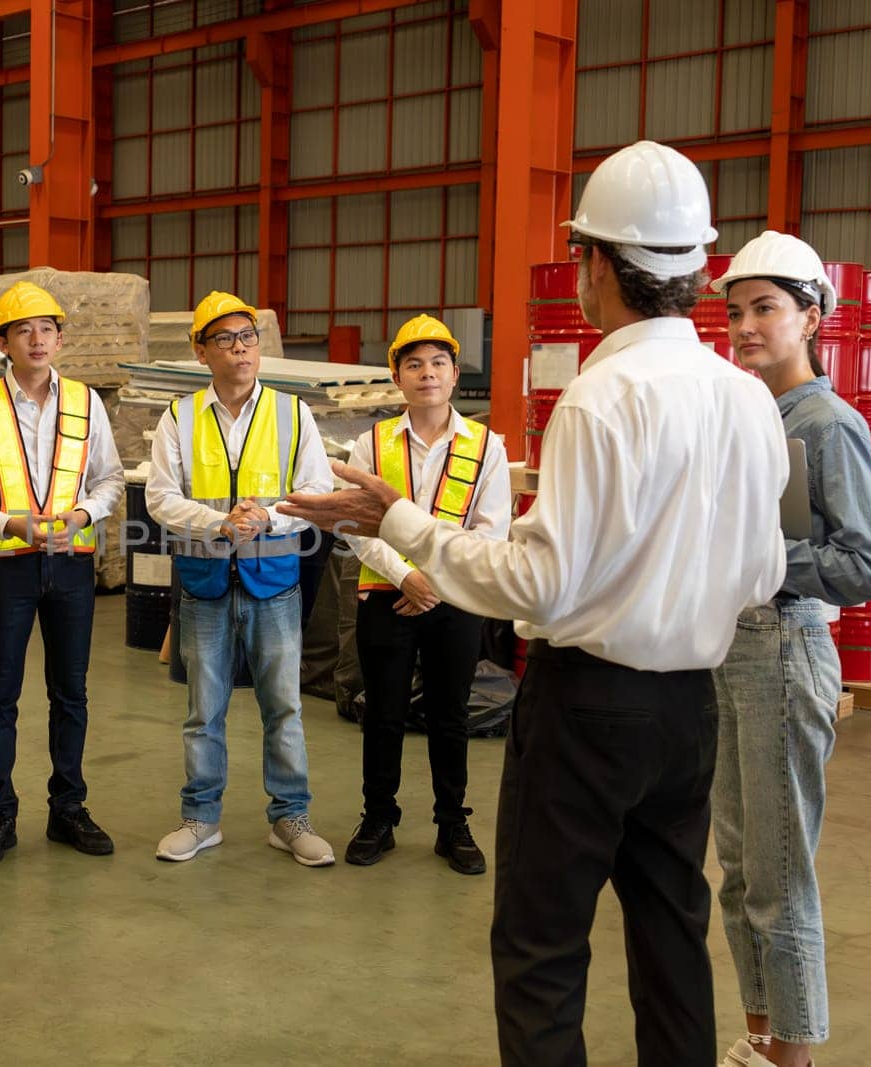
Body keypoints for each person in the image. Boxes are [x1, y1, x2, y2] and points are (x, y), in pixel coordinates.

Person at [279, 140, 789, 1065]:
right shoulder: (746, 397)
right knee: (672, 932)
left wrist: (399, 520)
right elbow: (762, 575)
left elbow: (540, 584)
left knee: (542, 945)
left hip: (588, 708)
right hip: (689, 709)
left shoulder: (602, 395)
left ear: (596, 263)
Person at [710, 233, 871, 1067]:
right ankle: (760, 1036)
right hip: (734, 650)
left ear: (811, 317)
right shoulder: (757, 413)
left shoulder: (827, 421)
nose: (745, 326)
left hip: (785, 649)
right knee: (742, 867)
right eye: (736, 311)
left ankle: (792, 1056)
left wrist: (763, 559)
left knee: (780, 874)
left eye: (765, 309)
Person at [0, 281, 126, 865]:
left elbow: (111, 481)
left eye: (47, 329)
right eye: (24, 330)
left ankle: (68, 809)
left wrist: (82, 514)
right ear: (3, 341)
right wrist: (7, 523)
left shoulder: (87, 402)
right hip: (8, 568)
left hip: (72, 565)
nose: (37, 339)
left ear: (61, 338)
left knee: (71, 692)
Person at [146, 291, 335, 866]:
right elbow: (159, 497)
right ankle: (201, 818)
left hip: (273, 582)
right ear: (201, 351)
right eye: (225, 340)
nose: (240, 349)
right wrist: (217, 522)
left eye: (247, 338)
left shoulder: (292, 413)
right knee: (205, 711)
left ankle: (290, 818)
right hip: (203, 582)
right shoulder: (178, 417)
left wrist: (267, 518)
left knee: (284, 707)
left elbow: (318, 490)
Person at [340, 314, 510, 873]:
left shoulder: (487, 446)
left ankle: (452, 824)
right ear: (397, 375)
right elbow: (355, 524)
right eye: (414, 364)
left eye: (438, 363)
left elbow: (493, 529)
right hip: (387, 594)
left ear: (455, 374)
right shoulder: (370, 443)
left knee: (449, 714)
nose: (427, 374)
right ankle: (378, 818)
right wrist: (405, 577)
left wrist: (433, 582)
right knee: (383, 712)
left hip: (453, 600)